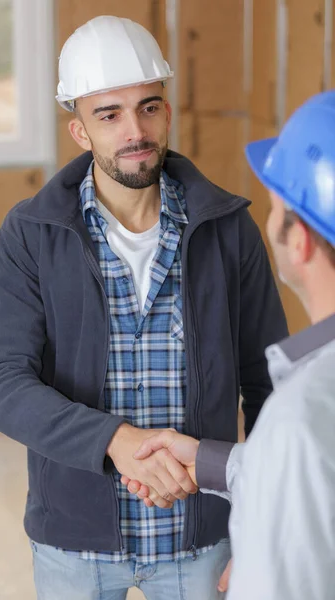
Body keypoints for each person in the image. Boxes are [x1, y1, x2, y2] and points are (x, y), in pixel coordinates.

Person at [0, 15, 287, 600]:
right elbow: (0, 385)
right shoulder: (32, 233)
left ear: (167, 112)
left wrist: (262, 529)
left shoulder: (228, 229)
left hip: (203, 537)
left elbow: (268, 385)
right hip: (75, 543)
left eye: (148, 106)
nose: (135, 130)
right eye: (109, 114)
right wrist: (115, 441)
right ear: (79, 131)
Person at [124, 90, 335, 600]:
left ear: (299, 238)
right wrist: (211, 461)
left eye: (275, 205)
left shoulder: (301, 414)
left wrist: (260, 534)